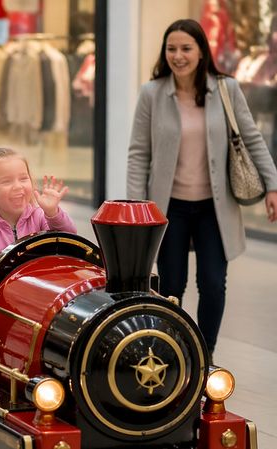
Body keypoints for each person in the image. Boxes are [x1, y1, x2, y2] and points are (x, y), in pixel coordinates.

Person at [127, 19, 277, 361]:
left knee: (212, 283)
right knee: (171, 285)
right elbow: (138, 153)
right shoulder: (152, 93)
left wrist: (273, 185)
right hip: (169, 208)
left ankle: (204, 357)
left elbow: (252, 138)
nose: (178, 56)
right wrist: (137, 208)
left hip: (214, 208)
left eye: (186, 48)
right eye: (171, 49)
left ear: (201, 52)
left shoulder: (225, 89)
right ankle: (171, 356)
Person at [0, 147, 77, 279]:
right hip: (4, 290)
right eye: (6, 181)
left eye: (23, 179)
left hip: (42, 284)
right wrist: (14, 270)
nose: (18, 186)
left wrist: (52, 212)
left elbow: (69, 240)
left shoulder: (39, 216)